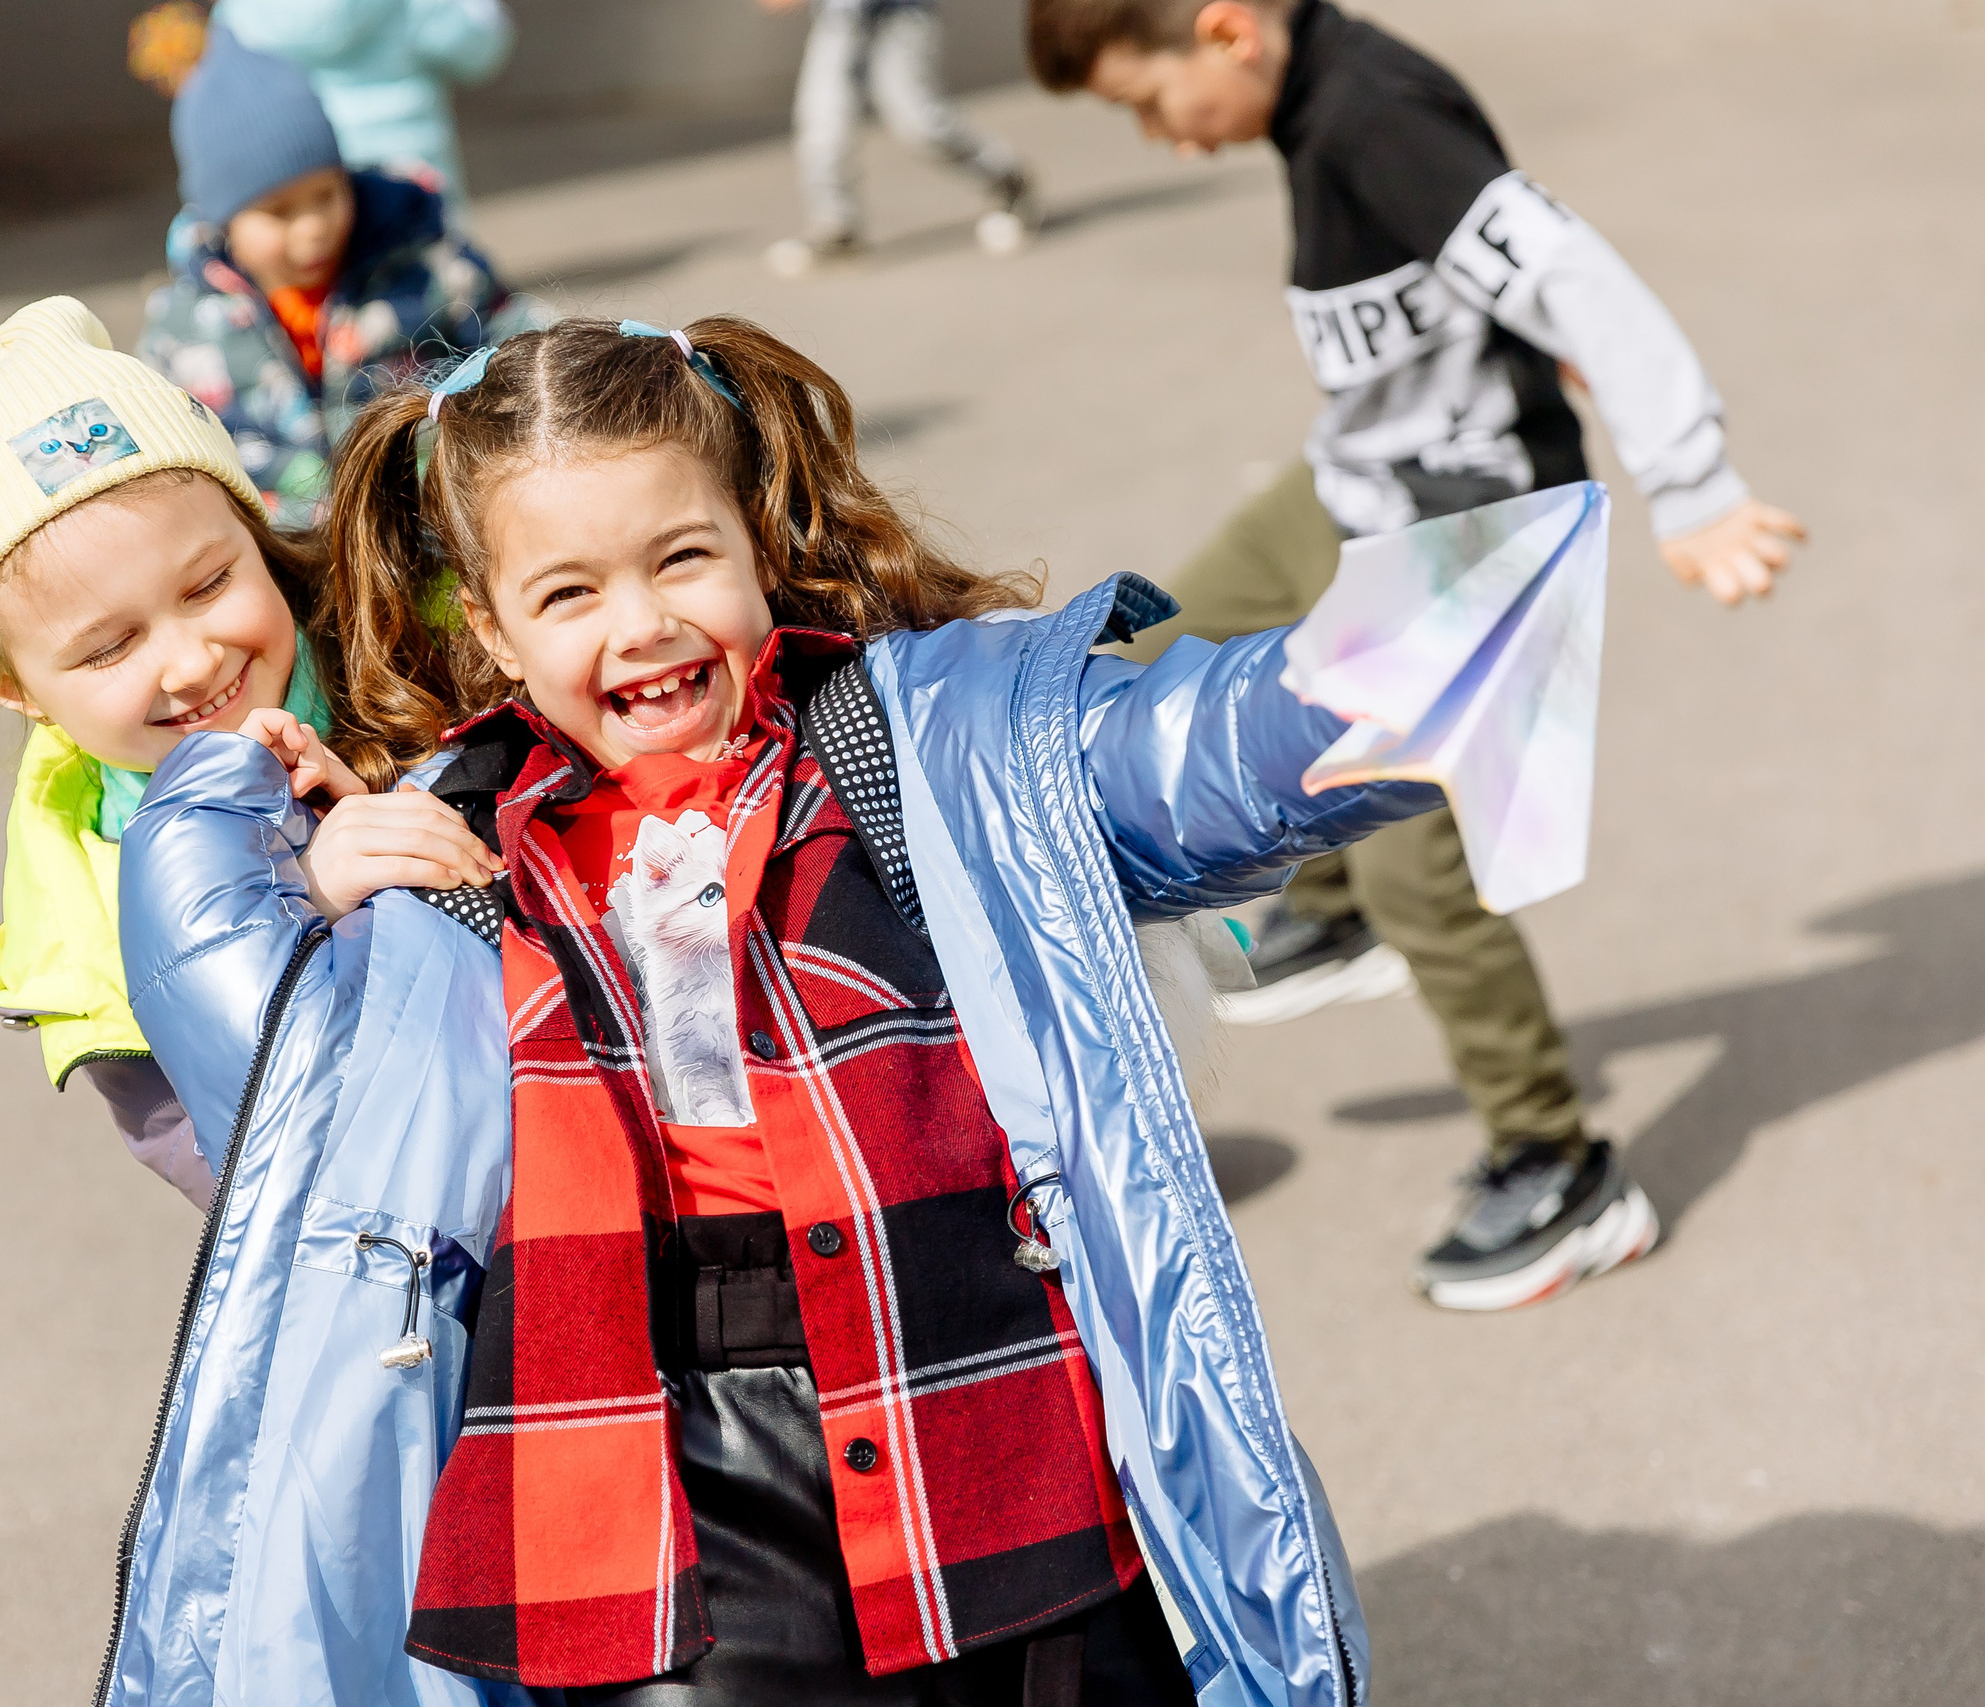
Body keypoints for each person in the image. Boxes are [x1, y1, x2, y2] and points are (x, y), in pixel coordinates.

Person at [91, 316, 1602, 1703]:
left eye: (682, 557)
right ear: (489, 627)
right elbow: (264, 1061)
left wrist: (1427, 658)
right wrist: (281, 842)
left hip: (984, 1396)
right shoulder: (447, 853)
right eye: (568, 592)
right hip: (648, 1486)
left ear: (756, 539)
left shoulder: (920, 744)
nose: (641, 626)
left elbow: (1182, 754)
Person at [1026, 0, 1810, 1310]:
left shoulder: (1375, 111)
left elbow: (1570, 272)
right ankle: (1329, 907)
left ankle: (1561, 1165)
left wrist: (1694, 482)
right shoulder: (1297, 97)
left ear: (1225, 31)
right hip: (1352, 491)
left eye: (1147, 105)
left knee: (1425, 871)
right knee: (1146, 654)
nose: (1165, 140)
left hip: (1468, 539)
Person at [0, 294, 350, 1211]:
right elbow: (250, 1177)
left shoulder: (402, 651)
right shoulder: (88, 923)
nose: (192, 660)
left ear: (252, 520)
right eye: (109, 648)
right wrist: (317, 911)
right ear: (9, 688)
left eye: (211, 582)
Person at [138, 27, 547, 531]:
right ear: (223, 221)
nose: (313, 227)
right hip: (289, 554)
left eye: (327, 195)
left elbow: (517, 339)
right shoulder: (185, 326)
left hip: (429, 527)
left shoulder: (423, 266)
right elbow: (166, 448)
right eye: (279, 212)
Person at [760, 0, 1037, 275]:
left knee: (920, 123)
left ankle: (1007, 179)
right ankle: (836, 228)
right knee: (822, 121)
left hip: (900, 11)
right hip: (839, 15)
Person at [213, 0, 514, 218]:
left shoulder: (248, 10)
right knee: (435, 287)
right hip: (411, 178)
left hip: (303, 183)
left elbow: (219, 76)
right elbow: (479, 51)